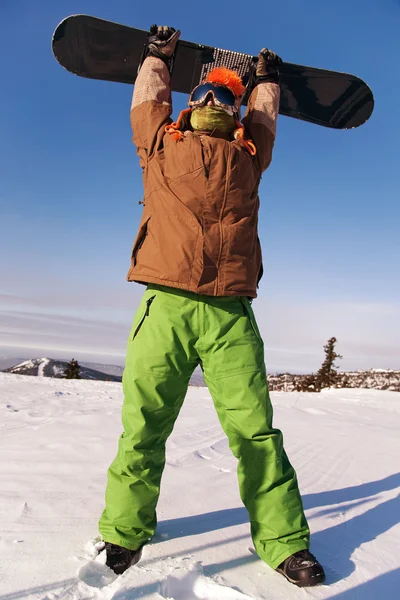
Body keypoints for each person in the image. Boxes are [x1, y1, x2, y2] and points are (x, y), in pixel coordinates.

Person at [98, 25, 325, 587]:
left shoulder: (249, 156)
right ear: (187, 104)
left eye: (224, 94)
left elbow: (265, 122)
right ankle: (124, 534)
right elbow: (148, 102)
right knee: (143, 429)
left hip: (229, 314)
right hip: (166, 307)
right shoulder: (160, 145)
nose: (210, 100)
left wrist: (267, 81)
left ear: (234, 108)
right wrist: (158, 57)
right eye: (200, 93)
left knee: (256, 433)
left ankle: (283, 542)